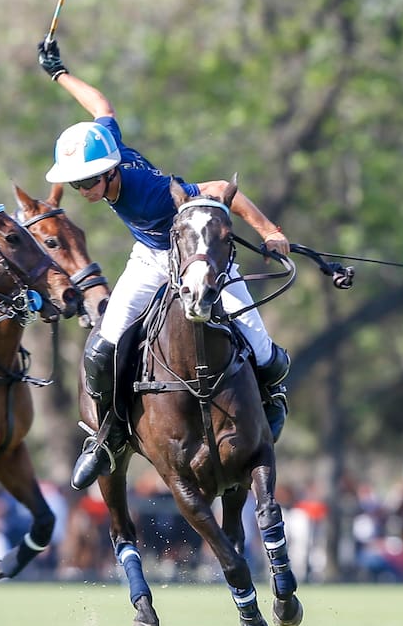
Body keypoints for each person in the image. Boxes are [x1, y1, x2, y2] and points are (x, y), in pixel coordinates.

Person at [36, 38, 293, 491]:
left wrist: (269, 231)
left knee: (265, 350)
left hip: (193, 257)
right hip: (148, 258)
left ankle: (271, 402)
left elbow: (220, 188)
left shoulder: (148, 193)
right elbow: (100, 105)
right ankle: (107, 437)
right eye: (76, 184)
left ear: (111, 172)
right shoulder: (108, 146)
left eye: (88, 181)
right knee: (101, 350)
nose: (83, 190)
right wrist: (59, 73)